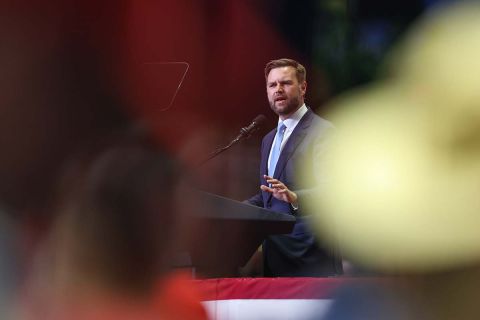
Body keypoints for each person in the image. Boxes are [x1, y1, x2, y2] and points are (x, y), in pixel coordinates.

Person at [245, 58, 342, 277]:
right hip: (275, 257)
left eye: (285, 83)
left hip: (311, 259)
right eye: (272, 85)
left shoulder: (323, 132)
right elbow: (268, 196)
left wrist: (294, 197)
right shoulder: (268, 139)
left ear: (303, 87)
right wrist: (230, 210)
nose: (278, 89)